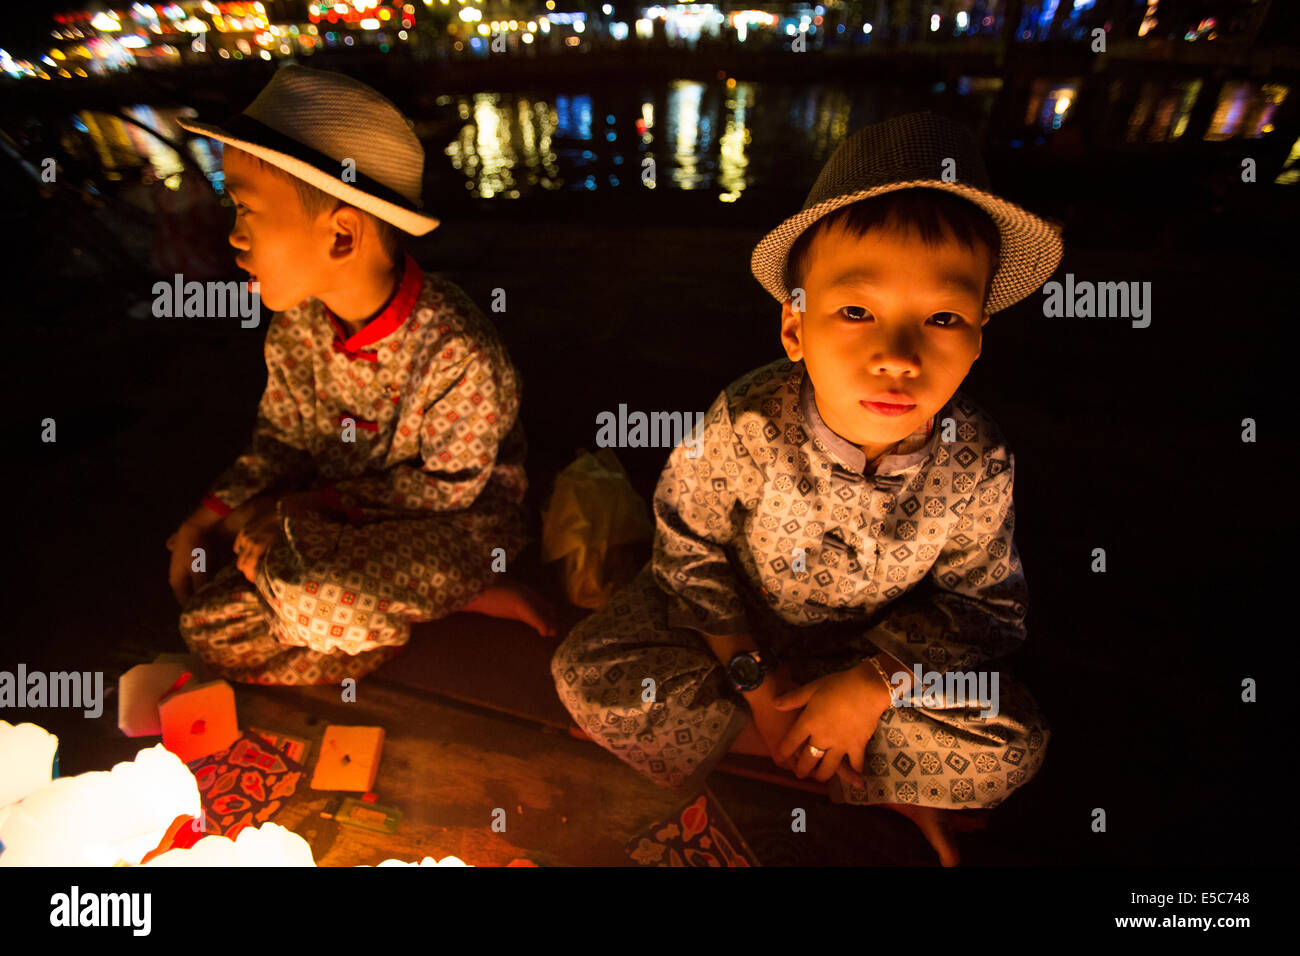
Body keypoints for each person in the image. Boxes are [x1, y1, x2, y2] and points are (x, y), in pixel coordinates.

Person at [551, 111, 1061, 865]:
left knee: (1013, 744)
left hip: (872, 660)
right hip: (740, 643)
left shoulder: (976, 460)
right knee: (588, 673)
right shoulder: (749, 419)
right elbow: (688, 547)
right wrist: (753, 680)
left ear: (979, 337)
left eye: (943, 317)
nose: (898, 355)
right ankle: (814, 746)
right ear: (795, 328)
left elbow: (984, 608)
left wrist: (870, 686)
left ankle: (812, 738)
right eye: (856, 311)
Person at [167, 64, 552, 686]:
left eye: (246, 210)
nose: (233, 237)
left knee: (305, 585)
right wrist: (205, 518)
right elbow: (280, 441)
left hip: (450, 535)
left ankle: (470, 593)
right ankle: (382, 628)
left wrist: (295, 510)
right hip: (329, 531)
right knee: (207, 627)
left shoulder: (456, 348)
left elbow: (452, 489)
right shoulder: (297, 327)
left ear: (342, 235)